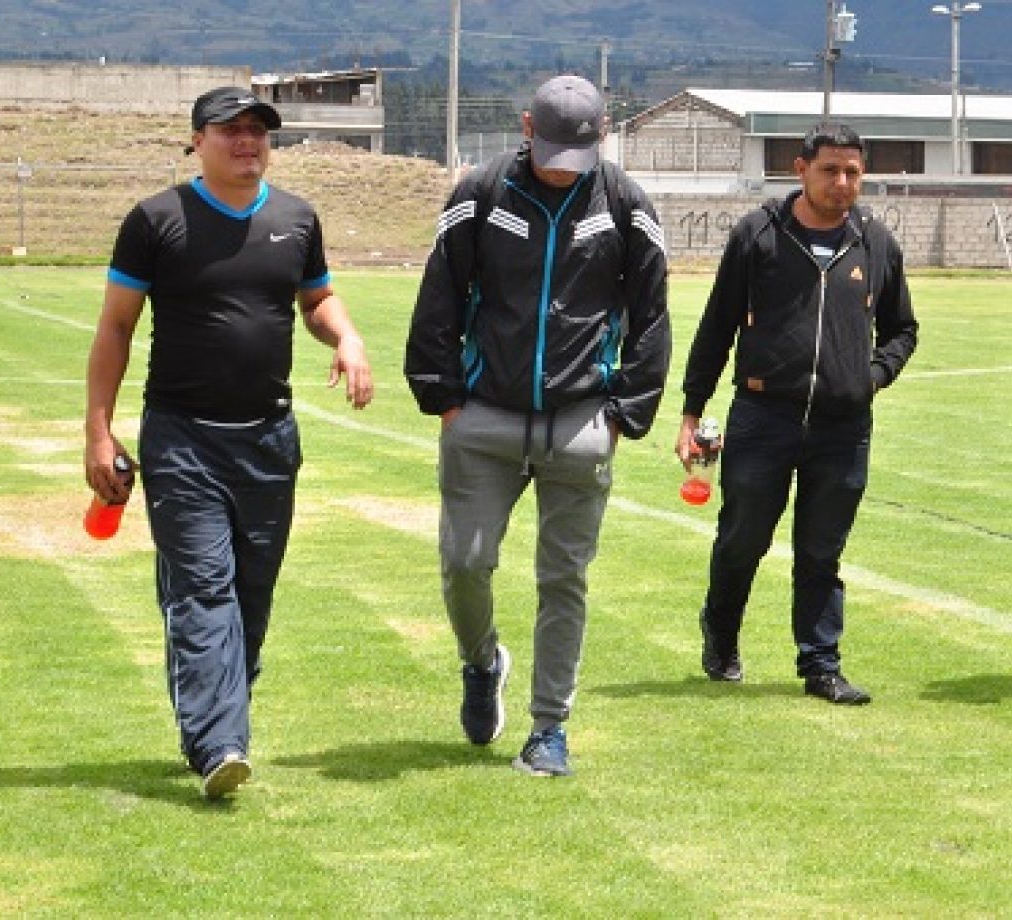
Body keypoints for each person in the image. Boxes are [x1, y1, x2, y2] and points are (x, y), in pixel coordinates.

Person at [83, 86, 374, 798]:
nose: (247, 142)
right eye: (231, 130)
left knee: (249, 598)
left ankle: (211, 721)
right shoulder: (156, 221)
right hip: (182, 439)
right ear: (197, 140)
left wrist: (347, 335)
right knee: (204, 590)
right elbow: (116, 326)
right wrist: (98, 430)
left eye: (258, 131)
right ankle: (221, 744)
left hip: (269, 441)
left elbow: (316, 298)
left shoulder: (296, 219)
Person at [405, 75, 671, 777]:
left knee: (564, 581)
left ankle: (549, 729)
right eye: (550, 149)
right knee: (466, 563)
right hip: (484, 413)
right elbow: (440, 292)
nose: (562, 167)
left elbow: (652, 316)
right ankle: (480, 661)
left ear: (602, 134)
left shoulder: (625, 206)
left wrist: (623, 417)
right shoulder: (481, 193)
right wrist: (445, 399)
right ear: (527, 127)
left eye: (577, 152)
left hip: (581, 421)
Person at [676, 122, 918, 706]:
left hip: (842, 427)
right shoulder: (758, 234)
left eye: (853, 173)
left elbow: (902, 330)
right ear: (800, 168)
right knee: (742, 539)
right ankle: (722, 633)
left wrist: (873, 375)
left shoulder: (875, 242)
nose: (842, 183)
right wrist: (691, 412)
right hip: (763, 417)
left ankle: (820, 665)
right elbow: (717, 326)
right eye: (830, 170)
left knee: (821, 551)